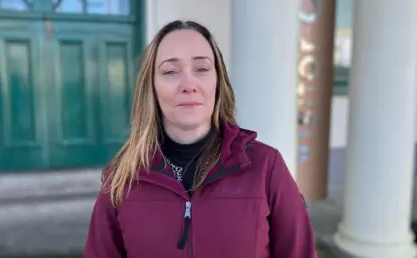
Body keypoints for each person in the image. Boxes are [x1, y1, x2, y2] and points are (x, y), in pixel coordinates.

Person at [84, 20, 317, 258]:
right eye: (170, 71)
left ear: (218, 82)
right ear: (151, 87)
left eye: (202, 69)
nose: (188, 84)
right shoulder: (122, 177)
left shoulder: (266, 167)